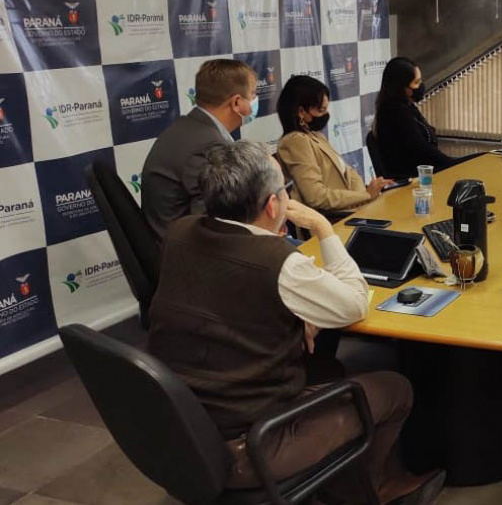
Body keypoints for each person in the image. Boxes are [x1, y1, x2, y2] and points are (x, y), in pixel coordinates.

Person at [147, 141, 444, 504]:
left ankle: (340, 482)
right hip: (253, 446)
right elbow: (354, 305)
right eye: (284, 192)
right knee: (396, 389)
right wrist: (323, 227)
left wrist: (294, 311)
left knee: (324, 366)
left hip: (184, 429)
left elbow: (221, 293)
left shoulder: (180, 233)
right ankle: (377, 491)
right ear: (273, 205)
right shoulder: (278, 262)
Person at [141, 59, 257, 239]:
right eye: (253, 94)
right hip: (185, 256)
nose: (256, 100)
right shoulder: (208, 146)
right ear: (236, 103)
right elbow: (216, 221)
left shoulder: (190, 128)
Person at [276, 75, 392, 212]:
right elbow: (316, 197)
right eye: (321, 110)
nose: (326, 114)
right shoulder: (294, 141)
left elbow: (349, 174)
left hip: (354, 211)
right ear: (301, 112)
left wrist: (365, 196)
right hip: (334, 220)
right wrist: (365, 195)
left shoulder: (316, 136)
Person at [372, 57, 478, 179]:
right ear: (401, 86)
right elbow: (422, 150)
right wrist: (455, 165)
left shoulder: (407, 105)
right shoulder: (393, 112)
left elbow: (428, 135)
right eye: (416, 82)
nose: (421, 86)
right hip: (412, 178)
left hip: (425, 172)